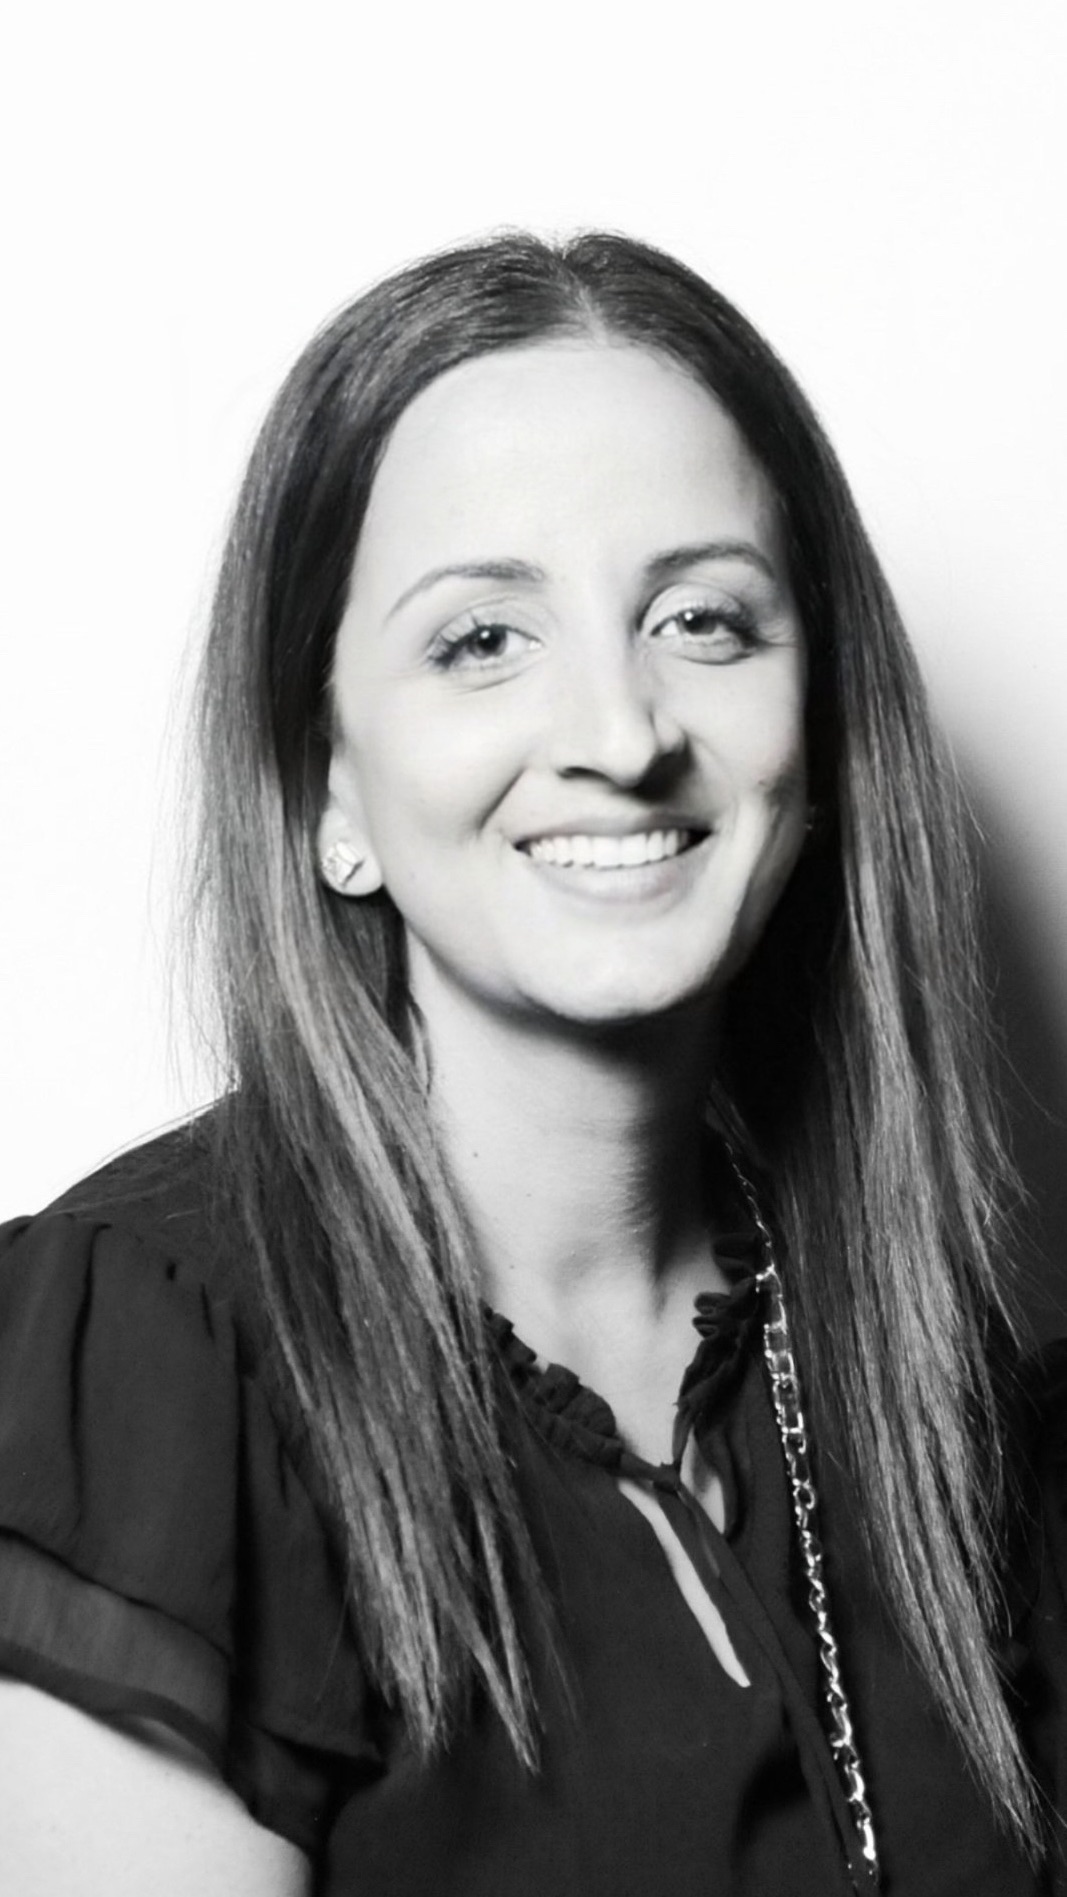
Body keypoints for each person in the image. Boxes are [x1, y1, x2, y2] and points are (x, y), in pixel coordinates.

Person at [0, 231, 1064, 1897]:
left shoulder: (937, 1369)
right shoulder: (149, 1369)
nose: (623, 735)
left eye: (703, 617)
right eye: (483, 639)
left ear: (819, 739)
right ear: (328, 792)